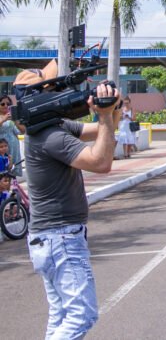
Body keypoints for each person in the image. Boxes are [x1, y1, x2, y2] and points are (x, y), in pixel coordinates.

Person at [19, 60, 121, 338]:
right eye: (53, 89)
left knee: (61, 314)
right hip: (60, 239)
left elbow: (99, 132)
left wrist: (112, 109)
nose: (61, 95)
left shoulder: (50, 129)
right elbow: (100, 163)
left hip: (49, 239)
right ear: (40, 99)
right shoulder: (51, 137)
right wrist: (104, 115)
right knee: (82, 315)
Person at [0, 95, 24, 176]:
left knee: (13, 170)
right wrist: (3, 120)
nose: (6, 106)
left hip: (13, 147)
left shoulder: (12, 116)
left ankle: (14, 185)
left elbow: (20, 132)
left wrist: (16, 121)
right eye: (2, 104)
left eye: (8, 104)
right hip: (1, 148)